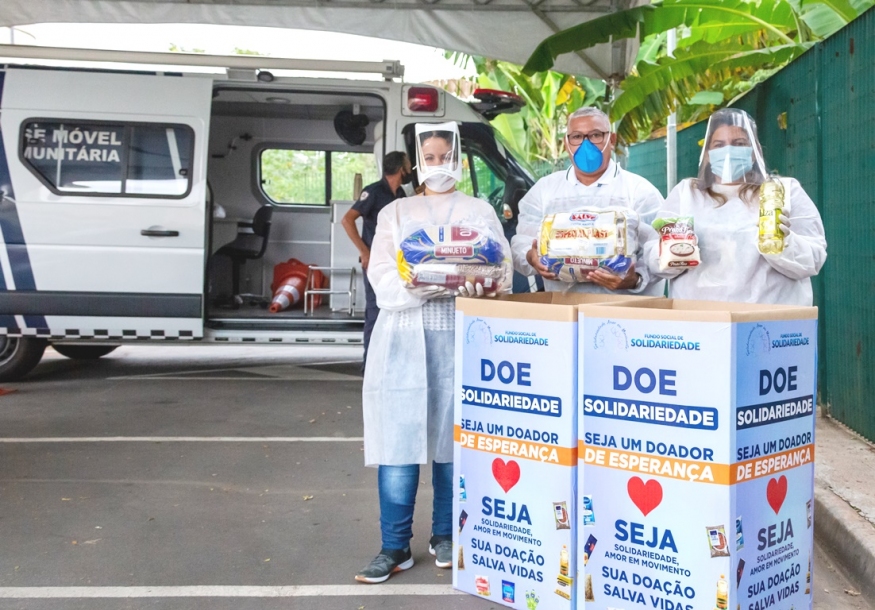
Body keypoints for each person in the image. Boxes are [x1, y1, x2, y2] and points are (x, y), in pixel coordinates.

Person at [355, 122, 512, 584]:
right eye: (431, 156)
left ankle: (445, 534)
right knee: (398, 444)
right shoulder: (396, 212)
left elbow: (500, 271)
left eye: (447, 155)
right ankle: (393, 546)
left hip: (459, 336)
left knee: (451, 441)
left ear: (459, 159)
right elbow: (382, 275)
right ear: (416, 162)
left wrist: (475, 283)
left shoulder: (479, 209)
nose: (439, 163)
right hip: (402, 336)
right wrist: (424, 286)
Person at [643, 108, 827, 305]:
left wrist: (784, 243)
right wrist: (674, 251)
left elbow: (813, 260)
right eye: (719, 145)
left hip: (768, 321)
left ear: (754, 152)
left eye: (739, 144)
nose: (728, 151)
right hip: (699, 321)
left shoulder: (783, 191)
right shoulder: (687, 193)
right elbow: (653, 258)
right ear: (707, 154)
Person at [511, 107, 665, 295]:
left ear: (612, 140)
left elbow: (659, 250)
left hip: (623, 312)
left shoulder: (639, 192)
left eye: (595, 135)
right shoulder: (544, 191)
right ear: (566, 143)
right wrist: (531, 256)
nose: (586, 144)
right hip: (564, 313)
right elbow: (522, 242)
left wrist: (635, 279)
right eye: (576, 137)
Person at [342, 152, 412, 367]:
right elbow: (347, 220)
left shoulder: (401, 195)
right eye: (409, 165)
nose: (411, 169)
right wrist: (365, 251)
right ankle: (370, 364)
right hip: (376, 263)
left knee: (397, 310)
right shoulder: (373, 192)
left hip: (397, 264)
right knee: (375, 310)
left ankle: (390, 363)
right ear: (401, 168)